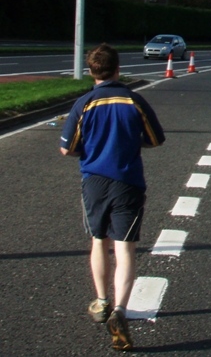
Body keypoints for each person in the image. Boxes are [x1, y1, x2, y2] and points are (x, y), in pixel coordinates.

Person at [60, 44, 165, 351]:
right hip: (128, 181)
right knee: (125, 248)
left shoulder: (84, 103)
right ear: (118, 69)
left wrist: (90, 150)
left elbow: (67, 148)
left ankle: (101, 301)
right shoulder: (134, 100)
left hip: (94, 181)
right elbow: (156, 139)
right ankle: (120, 309)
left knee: (98, 241)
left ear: (92, 71)